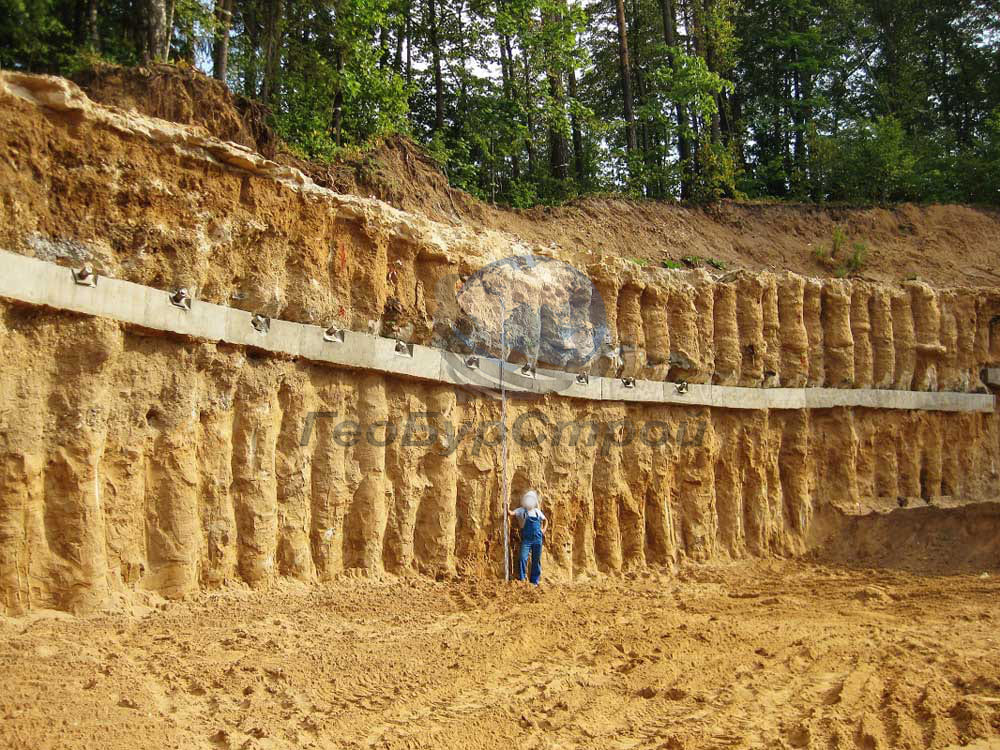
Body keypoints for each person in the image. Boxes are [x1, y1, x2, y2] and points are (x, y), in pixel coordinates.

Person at [508, 490, 548, 585]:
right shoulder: (521, 510)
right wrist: (506, 507)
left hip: (538, 539)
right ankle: (522, 579)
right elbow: (511, 513)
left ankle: (534, 581)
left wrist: (543, 530)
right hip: (527, 539)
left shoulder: (537, 511)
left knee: (536, 560)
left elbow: (546, 520)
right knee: (522, 557)